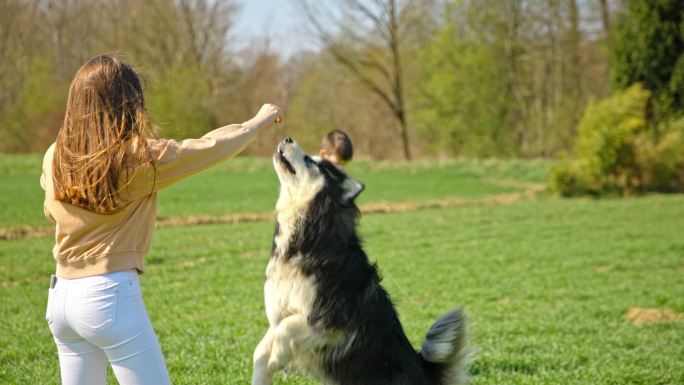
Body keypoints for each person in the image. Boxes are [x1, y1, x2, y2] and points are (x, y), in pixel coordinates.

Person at [40, 54, 281, 385]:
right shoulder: (138, 159)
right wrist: (257, 122)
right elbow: (208, 148)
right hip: (107, 296)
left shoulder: (54, 155)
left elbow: (50, 210)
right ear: (128, 102)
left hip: (61, 299)